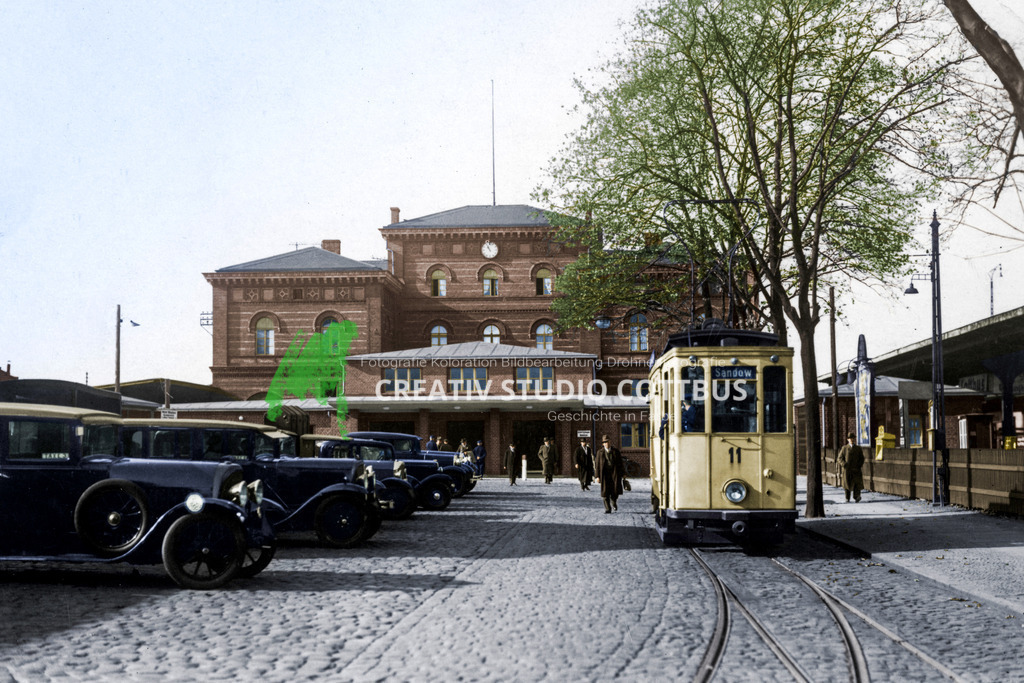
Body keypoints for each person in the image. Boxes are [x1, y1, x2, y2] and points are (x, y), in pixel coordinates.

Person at [594, 434, 625, 513]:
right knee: (605, 492)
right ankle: (608, 508)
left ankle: (613, 501)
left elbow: (620, 463)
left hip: (614, 474)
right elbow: (597, 465)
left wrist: (623, 473)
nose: (606, 444)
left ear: (610, 442)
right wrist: (597, 476)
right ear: (603, 444)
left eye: (607, 442)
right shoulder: (600, 452)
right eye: (605, 442)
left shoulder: (616, 452)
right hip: (604, 475)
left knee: (615, 490)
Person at [837, 433, 865, 502]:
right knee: (847, 483)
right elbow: (839, 458)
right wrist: (844, 464)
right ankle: (847, 498)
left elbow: (862, 458)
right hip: (847, 469)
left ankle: (857, 497)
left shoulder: (858, 448)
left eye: (852, 438)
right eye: (850, 438)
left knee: (857, 483)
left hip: (856, 469)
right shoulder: (844, 448)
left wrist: (859, 465)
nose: (851, 440)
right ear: (847, 439)